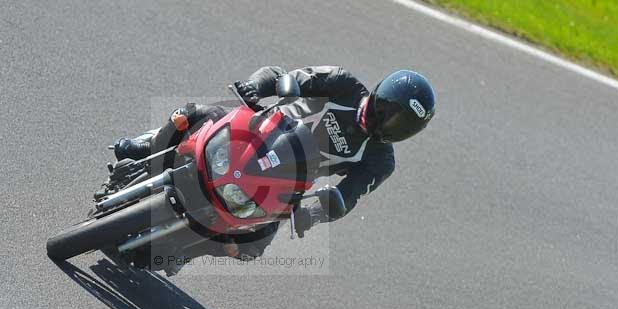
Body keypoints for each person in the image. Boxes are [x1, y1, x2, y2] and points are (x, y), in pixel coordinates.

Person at [113, 66, 435, 269]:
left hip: (286, 184)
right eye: (389, 111)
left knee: (251, 247)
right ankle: (148, 145)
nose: (388, 123)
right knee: (197, 114)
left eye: (400, 125)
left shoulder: (381, 160)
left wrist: (315, 212)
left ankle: (187, 251)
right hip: (261, 131)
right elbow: (290, 78)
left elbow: (347, 196)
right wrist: (257, 88)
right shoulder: (345, 84)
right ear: (381, 94)